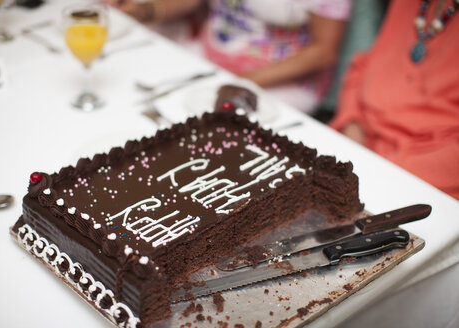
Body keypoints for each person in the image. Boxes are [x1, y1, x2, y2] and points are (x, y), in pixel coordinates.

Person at [106, 0, 351, 114]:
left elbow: (323, 52)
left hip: (278, 80)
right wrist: (146, 10)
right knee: (144, 98)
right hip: (207, 56)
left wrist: (240, 79)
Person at [330, 0, 459, 200]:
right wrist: (351, 122)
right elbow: (362, 65)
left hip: (421, 181)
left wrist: (381, 171)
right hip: (360, 149)